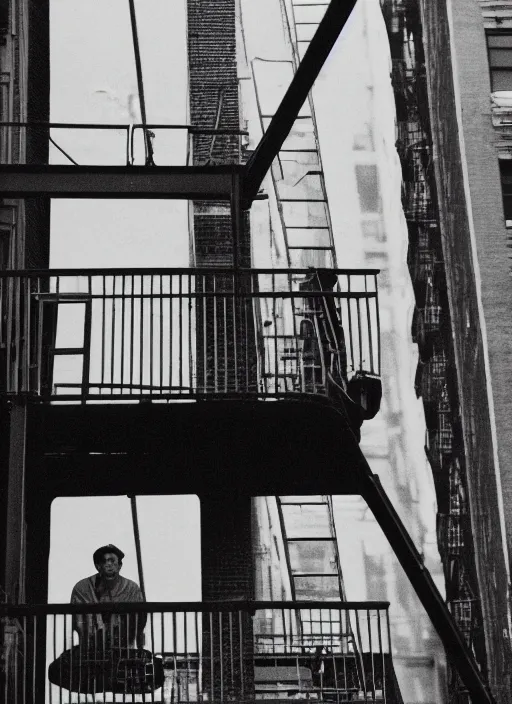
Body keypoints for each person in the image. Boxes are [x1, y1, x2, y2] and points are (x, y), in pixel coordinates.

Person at [70, 544, 146, 650]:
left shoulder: (131, 589)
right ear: (98, 566)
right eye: (104, 561)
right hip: (90, 650)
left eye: (112, 561)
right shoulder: (83, 588)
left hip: (123, 650)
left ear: (120, 565)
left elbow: (138, 622)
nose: (108, 565)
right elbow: (80, 624)